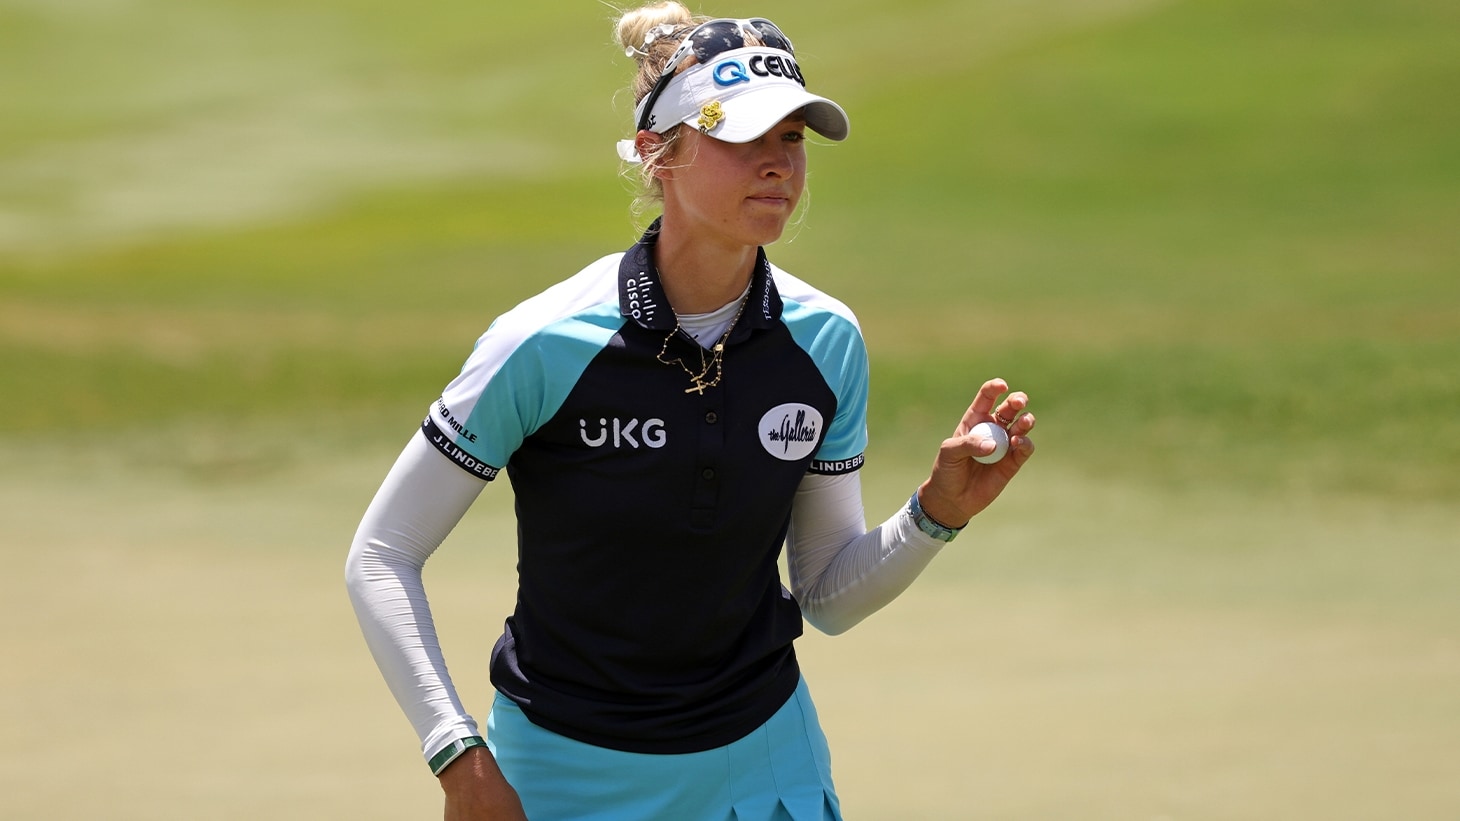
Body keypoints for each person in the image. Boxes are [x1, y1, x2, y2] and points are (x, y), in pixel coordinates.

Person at [345, 4, 1037, 819]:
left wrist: (935, 513)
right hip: (561, 775)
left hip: (763, 767)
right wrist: (457, 756)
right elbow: (382, 554)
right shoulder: (541, 342)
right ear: (655, 152)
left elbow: (826, 595)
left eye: (792, 138)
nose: (778, 164)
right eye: (743, 138)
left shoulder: (825, 340)